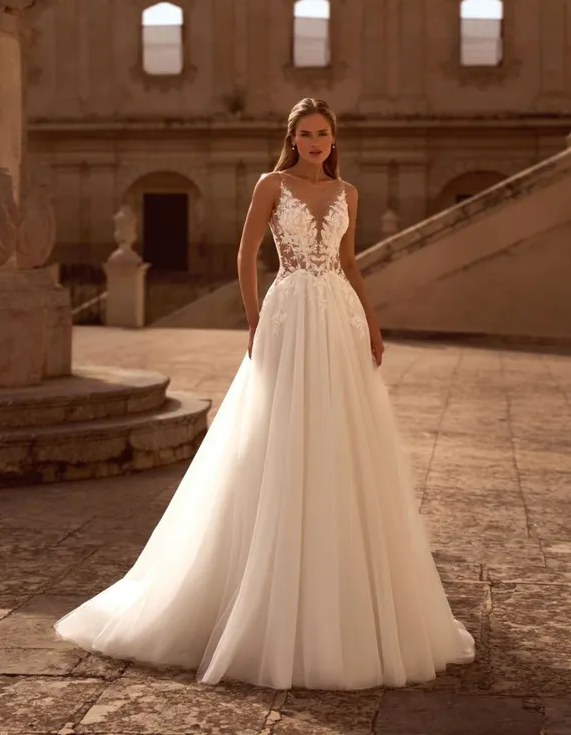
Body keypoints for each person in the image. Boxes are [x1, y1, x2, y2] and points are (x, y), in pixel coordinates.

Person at [55, 97, 475, 690]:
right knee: (278, 430)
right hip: (288, 313)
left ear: (334, 139)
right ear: (292, 138)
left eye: (323, 133)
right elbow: (246, 254)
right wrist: (255, 320)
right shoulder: (270, 184)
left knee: (340, 439)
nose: (315, 142)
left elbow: (350, 264)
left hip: (338, 316)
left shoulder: (349, 194)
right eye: (305, 133)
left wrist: (373, 323)